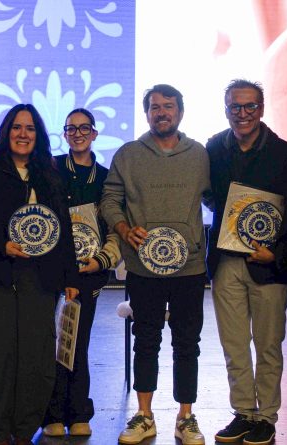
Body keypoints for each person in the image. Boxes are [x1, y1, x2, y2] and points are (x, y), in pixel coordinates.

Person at [101, 84, 211, 445]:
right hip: (143, 268)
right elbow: (110, 200)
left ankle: (186, 417)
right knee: (145, 340)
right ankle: (144, 415)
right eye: (154, 107)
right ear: (146, 113)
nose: (161, 112)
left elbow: (218, 200)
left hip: (189, 268)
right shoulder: (128, 154)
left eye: (168, 106)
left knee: (187, 342)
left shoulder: (200, 155)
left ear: (180, 111)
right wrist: (123, 228)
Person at [0, 104, 80, 445]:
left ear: (38, 135)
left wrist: (71, 277)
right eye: (17, 127)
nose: (23, 134)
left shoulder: (50, 174)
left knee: (36, 358)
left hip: (40, 282)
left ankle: (24, 431)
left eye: (30, 128)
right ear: (7, 132)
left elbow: (63, 228)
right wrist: (1, 245)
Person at [206, 80, 287, 445]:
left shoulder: (286, 153)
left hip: (268, 264)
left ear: (262, 108)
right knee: (234, 344)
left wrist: (277, 252)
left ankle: (266, 417)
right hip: (226, 261)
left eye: (250, 106)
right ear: (226, 109)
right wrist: (232, 221)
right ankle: (243, 412)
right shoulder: (213, 148)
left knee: (269, 344)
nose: (242, 114)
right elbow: (209, 195)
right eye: (235, 107)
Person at [41, 108, 121, 438]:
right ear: (64, 134)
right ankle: (50, 414)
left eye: (84, 128)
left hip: (88, 273)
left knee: (77, 342)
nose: (78, 134)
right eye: (71, 129)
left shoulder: (106, 178)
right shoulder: (50, 169)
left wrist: (101, 261)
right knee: (50, 343)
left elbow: (115, 228)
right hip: (50, 273)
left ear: (94, 133)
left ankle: (78, 411)